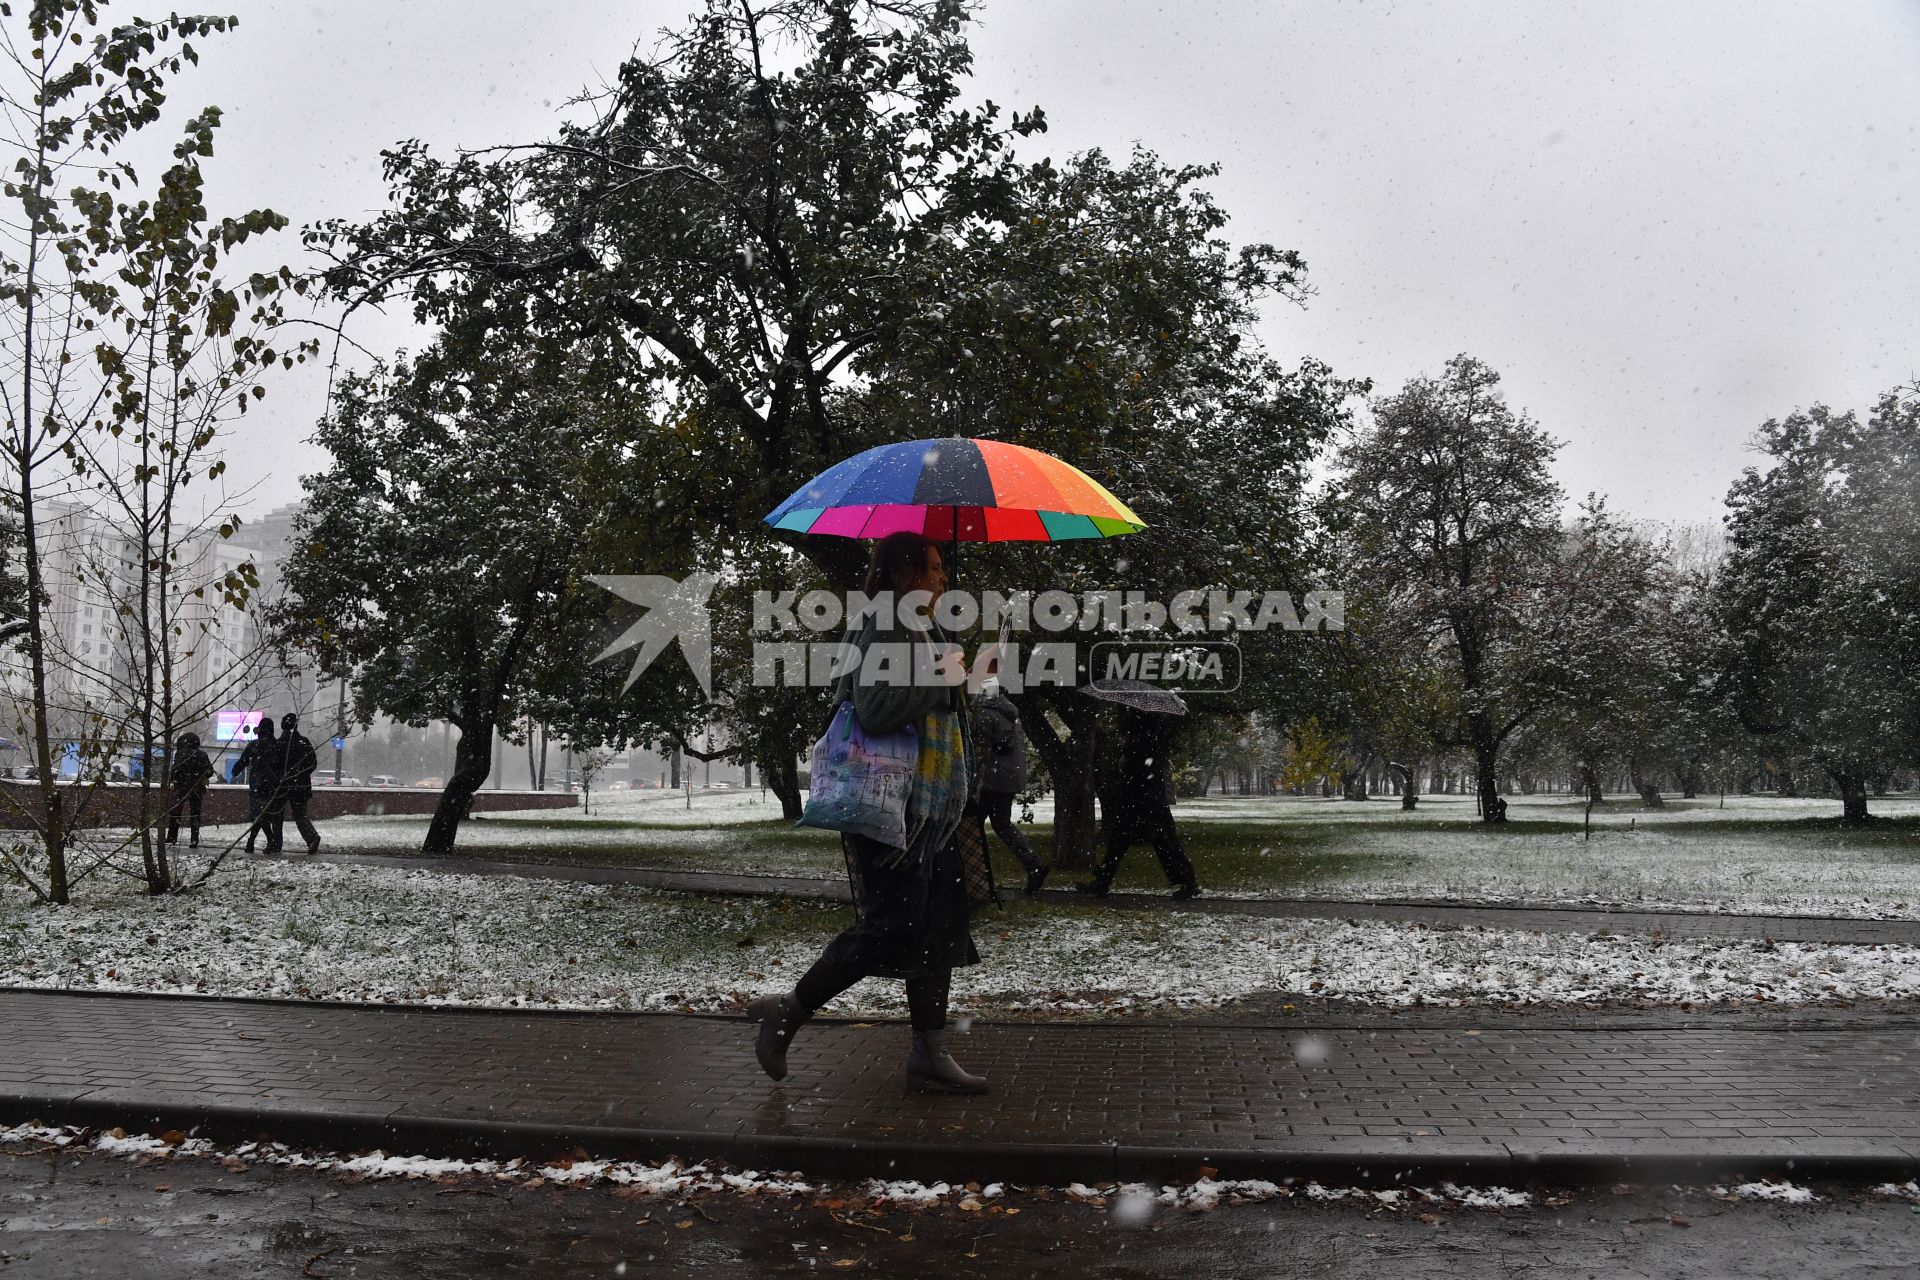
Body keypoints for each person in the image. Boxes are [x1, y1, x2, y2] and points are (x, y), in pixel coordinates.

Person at [748, 531, 986, 1094]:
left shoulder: (920, 624)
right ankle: (790, 1009)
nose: (942, 577)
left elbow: (932, 699)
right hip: (892, 809)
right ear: (901, 574)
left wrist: (954, 680)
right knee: (894, 926)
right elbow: (876, 709)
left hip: (931, 810)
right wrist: (943, 680)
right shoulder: (885, 621)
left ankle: (928, 1054)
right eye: (932, 567)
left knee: (937, 929)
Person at [1078, 708, 1200, 900]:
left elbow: (1137, 758)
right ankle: (1103, 880)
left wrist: (1125, 750)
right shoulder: (1155, 727)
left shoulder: (1143, 733)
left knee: (1150, 839)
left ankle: (1187, 881)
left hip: (1142, 794)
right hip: (1145, 794)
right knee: (1138, 839)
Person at [972, 676, 1047, 894]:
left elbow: (979, 749)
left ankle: (977, 878)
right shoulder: (1011, 713)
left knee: (973, 826)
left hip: (990, 780)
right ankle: (1033, 865)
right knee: (1002, 823)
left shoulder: (985, 714)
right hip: (1007, 779)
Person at [232, 718, 284, 853]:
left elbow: (242, 762)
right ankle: (261, 841)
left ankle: (256, 841)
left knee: (258, 814)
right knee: (265, 814)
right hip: (272, 786)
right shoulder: (278, 745)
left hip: (257, 784)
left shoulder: (255, 745)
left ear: (260, 729)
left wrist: (236, 771)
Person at [276, 712, 323, 854]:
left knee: (276, 815)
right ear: (296, 726)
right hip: (301, 786)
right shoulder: (304, 742)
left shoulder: (280, 744)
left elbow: (275, 764)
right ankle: (311, 837)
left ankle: (275, 843)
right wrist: (300, 775)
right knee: (300, 815)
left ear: (283, 726)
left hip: (282, 785)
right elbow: (313, 763)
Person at [163, 732, 214, 848]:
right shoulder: (202, 755)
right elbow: (210, 771)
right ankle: (194, 839)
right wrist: (201, 776)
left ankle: (172, 837)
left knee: (176, 813)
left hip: (181, 788)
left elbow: (175, 770)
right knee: (195, 814)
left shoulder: (180, 754)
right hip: (196, 788)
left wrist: (175, 781)